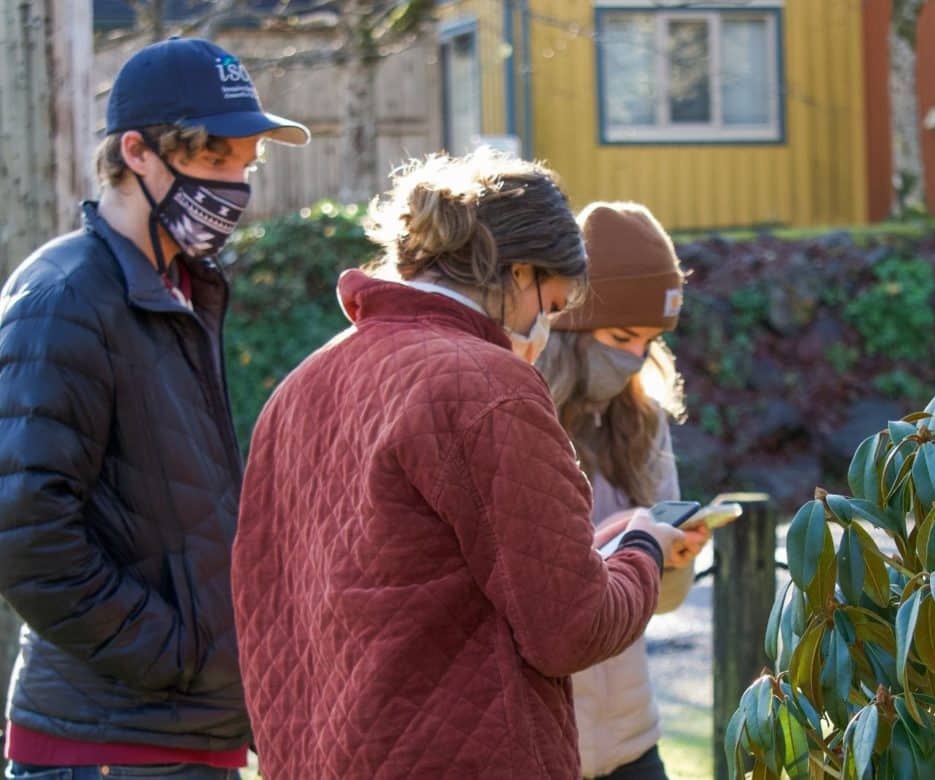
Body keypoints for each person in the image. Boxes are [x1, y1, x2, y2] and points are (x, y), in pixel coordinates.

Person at [231, 151, 685, 779]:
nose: (544, 328)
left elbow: (271, 602)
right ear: (520, 273)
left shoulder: (298, 388)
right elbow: (572, 628)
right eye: (551, 305)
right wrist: (642, 550)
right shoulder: (488, 384)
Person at [0, 37, 309, 780]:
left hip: (182, 738)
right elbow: (24, 531)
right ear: (135, 152)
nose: (233, 186)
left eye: (244, 165)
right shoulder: (66, 296)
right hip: (107, 748)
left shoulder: (180, 288)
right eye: (212, 159)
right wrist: (177, 655)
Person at [536, 201, 707, 780]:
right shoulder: (517, 422)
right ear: (567, 327)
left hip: (632, 739)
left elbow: (664, 602)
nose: (635, 359)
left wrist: (671, 557)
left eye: (650, 341)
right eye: (622, 336)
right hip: (544, 745)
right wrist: (623, 543)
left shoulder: (644, 421)